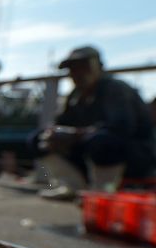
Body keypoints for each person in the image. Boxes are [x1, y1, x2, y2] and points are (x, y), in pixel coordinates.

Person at [33, 46, 155, 198]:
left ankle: (104, 192)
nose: (78, 73)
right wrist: (53, 134)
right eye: (73, 68)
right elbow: (61, 123)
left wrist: (75, 134)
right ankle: (71, 186)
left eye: (84, 66)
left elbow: (121, 128)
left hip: (135, 154)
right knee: (38, 139)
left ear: (100, 67)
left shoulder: (115, 89)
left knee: (102, 142)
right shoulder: (75, 96)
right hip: (90, 149)